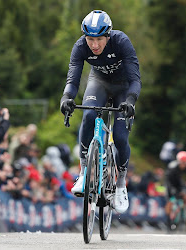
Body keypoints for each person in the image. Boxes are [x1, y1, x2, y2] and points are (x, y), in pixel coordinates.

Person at [60, 10, 141, 213]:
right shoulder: (80, 47)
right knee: (88, 115)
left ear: (108, 36)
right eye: (90, 39)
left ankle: (121, 184)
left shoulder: (121, 41)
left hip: (123, 88)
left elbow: (135, 79)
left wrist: (130, 101)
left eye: (98, 39)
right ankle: (84, 171)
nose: (94, 45)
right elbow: (73, 79)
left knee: (121, 137)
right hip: (99, 83)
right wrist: (66, 98)